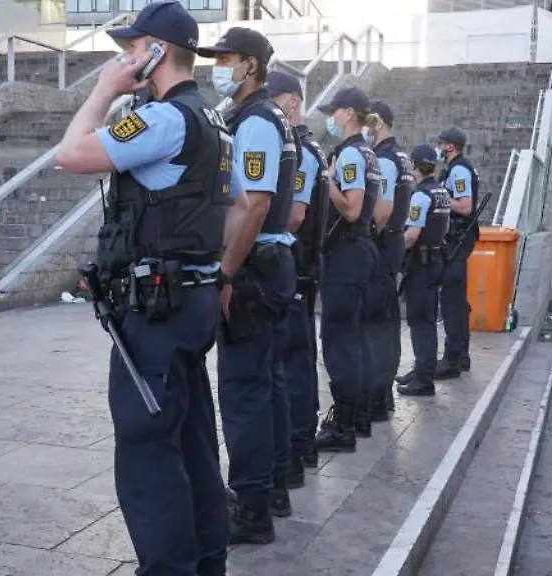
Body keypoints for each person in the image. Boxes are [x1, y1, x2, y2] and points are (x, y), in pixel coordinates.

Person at [53, 3, 234, 573]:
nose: (123, 57)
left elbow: (71, 153)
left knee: (148, 452)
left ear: (156, 50)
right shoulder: (211, 118)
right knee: (193, 444)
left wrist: (103, 90)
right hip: (190, 298)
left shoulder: (163, 120)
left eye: (131, 47)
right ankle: (208, 561)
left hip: (158, 310)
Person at [198, 27, 298, 543]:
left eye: (225, 57)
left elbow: (255, 204)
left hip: (255, 268)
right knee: (267, 385)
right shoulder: (271, 118)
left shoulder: (258, 122)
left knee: (243, 393)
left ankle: (252, 507)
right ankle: (272, 488)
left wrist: (226, 273)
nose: (217, 66)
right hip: (271, 261)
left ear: (251, 66)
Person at [266, 70, 328, 487]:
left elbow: (295, 214)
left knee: (293, 364)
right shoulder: (309, 148)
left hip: (298, 266)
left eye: (274, 103)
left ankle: (296, 446)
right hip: (301, 267)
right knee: (297, 360)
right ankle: (300, 444)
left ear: (292, 101)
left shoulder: (302, 151)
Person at [313, 86, 380, 453]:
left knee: (339, 340)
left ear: (350, 113)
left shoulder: (352, 155)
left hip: (348, 250)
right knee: (354, 336)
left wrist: (326, 177)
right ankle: (360, 414)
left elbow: (351, 209)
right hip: (361, 248)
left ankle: (344, 423)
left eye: (336, 112)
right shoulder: (368, 154)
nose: (332, 118)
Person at [364, 100, 413, 422]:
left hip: (383, 243)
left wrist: (369, 236)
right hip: (393, 240)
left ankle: (378, 396)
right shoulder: (401, 157)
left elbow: (381, 209)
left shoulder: (384, 158)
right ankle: (382, 395)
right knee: (386, 319)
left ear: (378, 122)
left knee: (378, 322)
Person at [395, 144, 451, 396]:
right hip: (436, 259)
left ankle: (424, 378)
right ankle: (421, 370)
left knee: (420, 322)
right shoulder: (441, 190)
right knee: (425, 319)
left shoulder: (420, 195)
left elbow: (412, 234)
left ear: (414, 165)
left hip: (422, 263)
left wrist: (393, 256)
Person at [434, 126, 478, 379]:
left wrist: (438, 196)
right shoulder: (454, 168)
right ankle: (461, 355)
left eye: (441, 145)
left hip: (457, 240)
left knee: (451, 300)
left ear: (449, 146)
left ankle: (452, 359)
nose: (439, 149)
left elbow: (464, 205)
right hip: (455, 240)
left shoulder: (459, 169)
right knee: (456, 300)